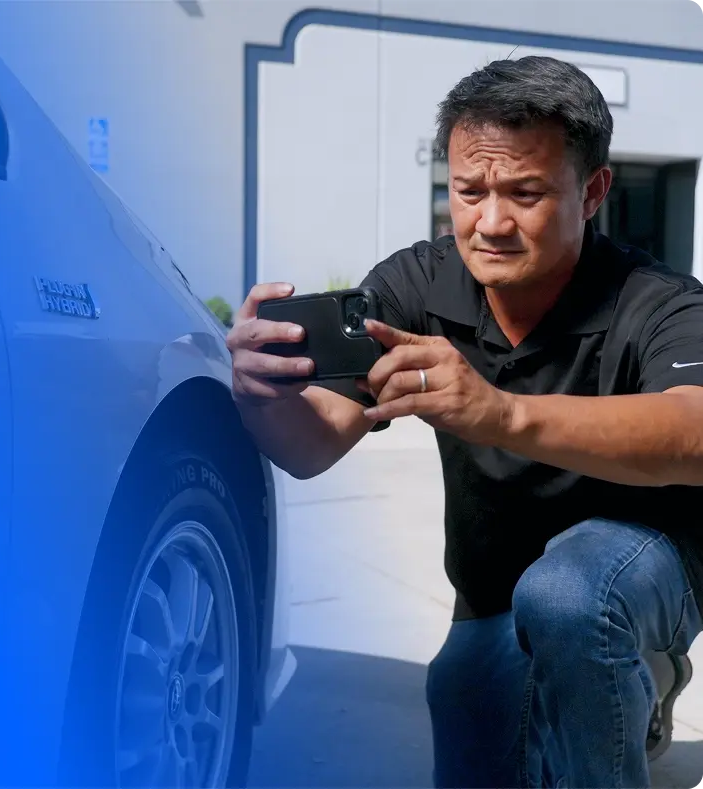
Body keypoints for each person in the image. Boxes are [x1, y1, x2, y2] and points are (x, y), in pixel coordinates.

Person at [227, 55, 703, 788]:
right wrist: (264, 397)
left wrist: (501, 413)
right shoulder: (417, 283)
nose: (490, 223)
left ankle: (643, 667)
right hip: (493, 590)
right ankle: (602, 685)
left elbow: (694, 432)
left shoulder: (659, 300)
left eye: (525, 193)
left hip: (642, 567)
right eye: (468, 190)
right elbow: (311, 445)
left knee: (572, 597)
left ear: (593, 191)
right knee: (469, 727)